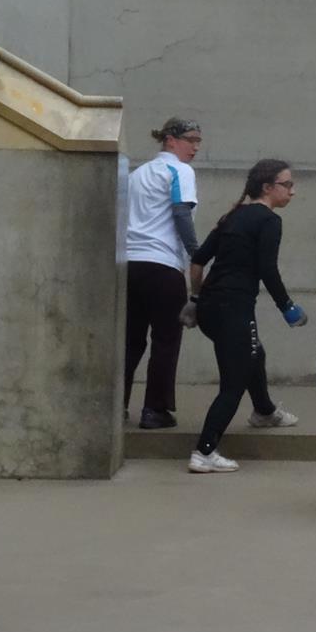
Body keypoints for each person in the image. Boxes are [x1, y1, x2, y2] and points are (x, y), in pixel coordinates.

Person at [186, 159, 307, 473]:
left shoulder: (232, 216)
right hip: (232, 308)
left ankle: (264, 412)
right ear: (268, 188)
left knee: (254, 353)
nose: (292, 191)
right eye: (287, 184)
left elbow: (198, 261)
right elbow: (267, 269)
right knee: (233, 382)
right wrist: (287, 307)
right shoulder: (268, 220)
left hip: (211, 307)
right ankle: (204, 451)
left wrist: (195, 300)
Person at [123, 118, 203, 429]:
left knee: (130, 341)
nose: (195, 147)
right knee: (166, 339)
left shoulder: (137, 173)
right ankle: (154, 410)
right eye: (191, 140)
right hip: (163, 265)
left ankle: (116, 405)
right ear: (171, 140)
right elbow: (181, 212)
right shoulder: (180, 171)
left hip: (129, 265)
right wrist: (198, 255)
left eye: (198, 141)